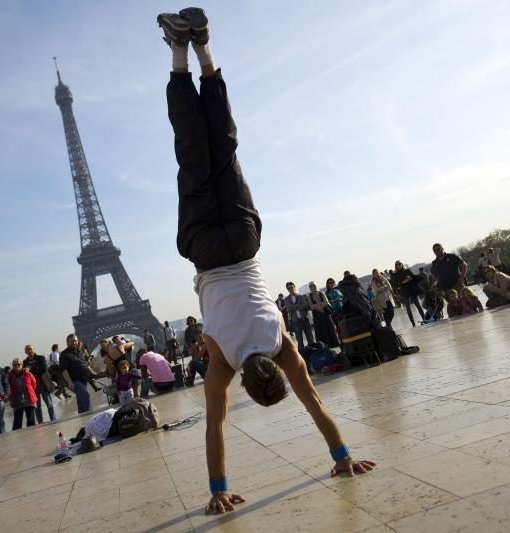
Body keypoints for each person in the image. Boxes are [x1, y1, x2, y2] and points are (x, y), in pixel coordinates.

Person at [157, 8, 374, 514]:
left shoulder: (281, 343)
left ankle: (205, 48)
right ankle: (178, 52)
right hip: (206, 252)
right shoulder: (221, 357)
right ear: (247, 386)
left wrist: (343, 455)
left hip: (243, 238)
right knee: (192, 152)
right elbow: (214, 426)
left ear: (273, 371)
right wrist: (217, 490)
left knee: (225, 147)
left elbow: (316, 404)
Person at [59, 334, 97, 413]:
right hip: (74, 380)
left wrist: (92, 373)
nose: (74, 343)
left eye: (75, 341)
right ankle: (88, 414)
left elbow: (84, 364)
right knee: (85, 394)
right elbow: (64, 370)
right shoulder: (64, 354)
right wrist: (70, 383)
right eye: (71, 341)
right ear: (67, 343)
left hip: (83, 379)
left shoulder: (79, 351)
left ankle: (83, 415)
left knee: (81, 398)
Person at [22, 345, 56, 423]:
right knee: (37, 407)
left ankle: (53, 420)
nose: (29, 351)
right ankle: (40, 423)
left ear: (34, 349)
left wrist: (30, 368)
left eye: (30, 349)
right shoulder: (24, 362)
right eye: (27, 350)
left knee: (49, 403)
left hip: (43, 383)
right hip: (33, 387)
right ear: (25, 352)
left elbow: (43, 369)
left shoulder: (41, 358)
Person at [430, 243, 467, 310]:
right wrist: (433, 285)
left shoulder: (452, 256)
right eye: (434, 250)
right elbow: (434, 276)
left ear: (442, 248)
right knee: (453, 306)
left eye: (438, 249)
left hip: (457, 284)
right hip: (445, 288)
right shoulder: (434, 263)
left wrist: (461, 278)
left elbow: (464, 265)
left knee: (464, 303)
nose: (436, 251)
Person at [307, 282, 340, 347]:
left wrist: (318, 306)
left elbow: (326, 302)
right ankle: (323, 346)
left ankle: (333, 344)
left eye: (313, 286)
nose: (312, 287)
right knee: (320, 331)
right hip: (317, 316)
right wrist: (319, 306)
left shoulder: (321, 293)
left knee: (330, 329)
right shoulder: (309, 296)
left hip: (325, 314)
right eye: (311, 286)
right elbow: (311, 306)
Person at [8, 358, 37, 430]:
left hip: (29, 399)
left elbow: (34, 384)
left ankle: (32, 435)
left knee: (31, 420)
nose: (17, 366)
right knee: (17, 422)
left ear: (22, 365)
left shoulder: (28, 373)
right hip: (17, 401)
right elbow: (8, 387)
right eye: (15, 365)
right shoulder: (10, 376)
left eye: (19, 364)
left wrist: (29, 391)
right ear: (13, 366)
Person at [393, 261, 424, 326]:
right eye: (397, 265)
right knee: (408, 308)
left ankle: (424, 318)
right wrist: (404, 282)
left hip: (412, 290)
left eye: (400, 264)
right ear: (396, 266)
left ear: (402, 264)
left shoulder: (407, 271)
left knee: (418, 305)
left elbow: (413, 277)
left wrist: (411, 278)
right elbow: (396, 284)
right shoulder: (395, 275)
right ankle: (412, 322)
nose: (399, 265)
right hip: (404, 292)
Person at [284, 282, 314, 349]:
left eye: (291, 287)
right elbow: (289, 309)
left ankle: (314, 354)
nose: (290, 289)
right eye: (288, 288)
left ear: (294, 287)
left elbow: (305, 305)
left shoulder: (301, 296)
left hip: (304, 319)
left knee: (310, 338)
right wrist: (299, 306)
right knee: (299, 341)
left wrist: (294, 307)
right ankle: (303, 355)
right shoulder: (286, 299)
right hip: (295, 321)